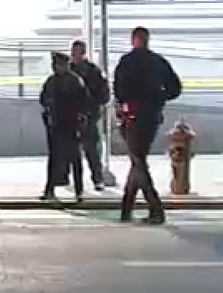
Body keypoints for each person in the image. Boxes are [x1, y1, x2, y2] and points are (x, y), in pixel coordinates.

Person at [111, 26, 183, 225]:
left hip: (132, 116)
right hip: (151, 116)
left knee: (138, 161)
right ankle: (126, 209)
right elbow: (175, 88)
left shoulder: (127, 62)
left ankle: (155, 208)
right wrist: (159, 98)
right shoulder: (158, 62)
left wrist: (122, 107)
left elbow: (118, 90)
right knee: (138, 159)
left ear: (133, 40)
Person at [41, 51, 90, 204]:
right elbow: (43, 99)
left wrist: (80, 120)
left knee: (74, 159)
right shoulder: (52, 81)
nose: (56, 67)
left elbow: (84, 102)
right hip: (56, 124)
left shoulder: (74, 81)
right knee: (55, 158)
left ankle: (79, 191)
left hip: (70, 125)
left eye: (58, 64)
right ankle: (50, 189)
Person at [69, 39, 114, 191]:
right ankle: (73, 180)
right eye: (73, 52)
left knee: (92, 150)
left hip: (89, 115)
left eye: (77, 52)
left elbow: (104, 94)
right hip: (70, 116)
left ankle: (97, 178)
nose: (74, 55)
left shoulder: (93, 71)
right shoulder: (68, 70)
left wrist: (93, 106)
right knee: (71, 150)